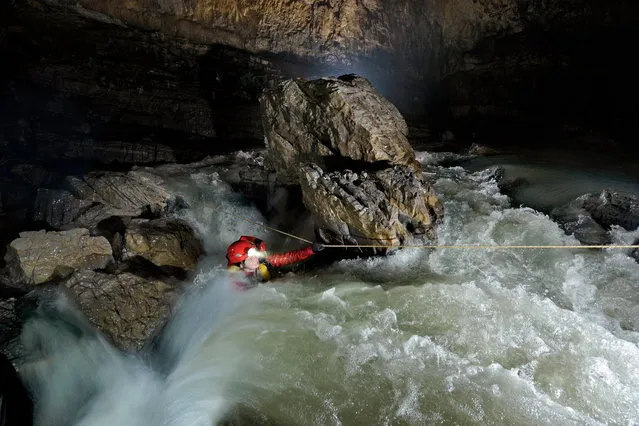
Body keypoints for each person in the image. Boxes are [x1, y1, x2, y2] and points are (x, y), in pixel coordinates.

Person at [226, 235, 324, 286]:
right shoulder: (236, 281)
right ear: (241, 265)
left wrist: (311, 250)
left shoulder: (263, 262)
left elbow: (288, 258)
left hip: (271, 278)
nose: (255, 259)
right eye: (251, 258)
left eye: (255, 255)